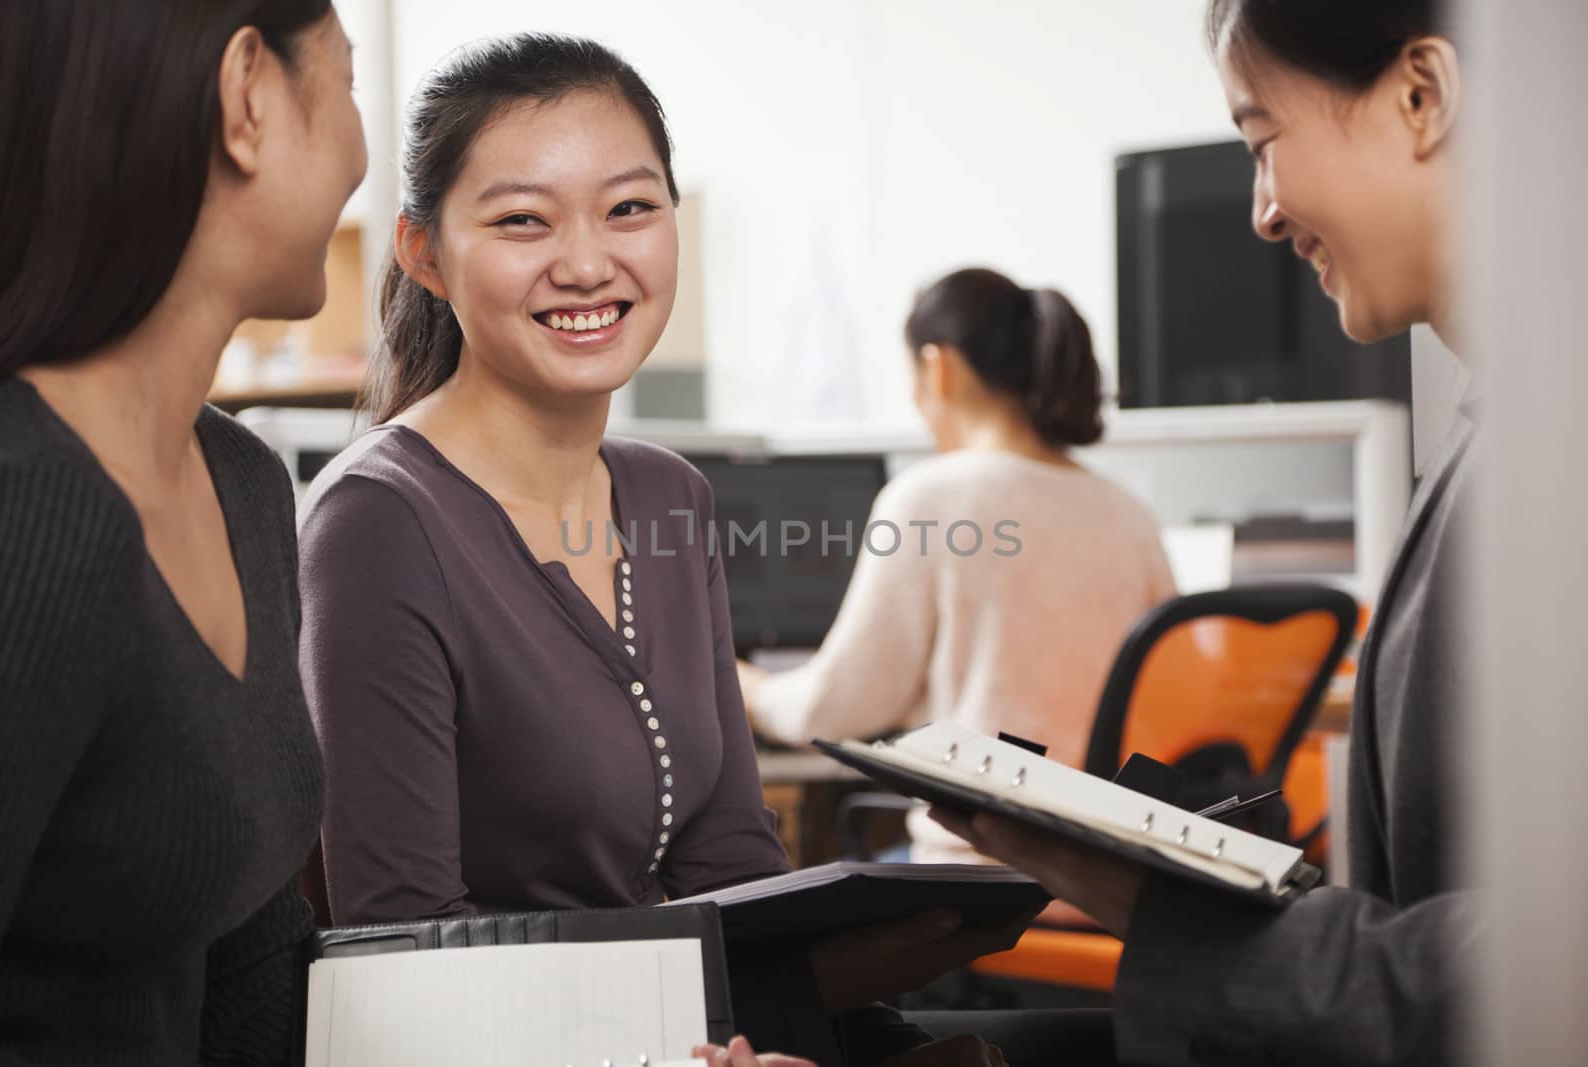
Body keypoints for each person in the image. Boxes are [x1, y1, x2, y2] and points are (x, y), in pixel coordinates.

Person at [297, 33, 1023, 1066]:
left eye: (629, 207)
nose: (588, 261)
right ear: (424, 254)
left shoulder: (667, 495)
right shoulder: (376, 522)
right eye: (521, 220)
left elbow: (726, 853)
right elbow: (404, 948)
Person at [935, 1, 1479, 1064]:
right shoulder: (1486, 437)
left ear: (1421, 96)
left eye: (1262, 141)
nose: (1263, 212)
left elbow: (1516, 967)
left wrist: (1166, 900)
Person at [0, 2, 366, 1063]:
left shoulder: (244, 485)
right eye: (346, 85)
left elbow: (247, 967)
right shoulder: (22, 513)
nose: (359, 152)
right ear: (248, 95)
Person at [740, 268, 1176, 866]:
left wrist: (744, 686)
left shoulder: (933, 498)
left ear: (936, 367)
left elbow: (836, 709)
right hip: (1121, 876)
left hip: (987, 876)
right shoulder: (1132, 516)